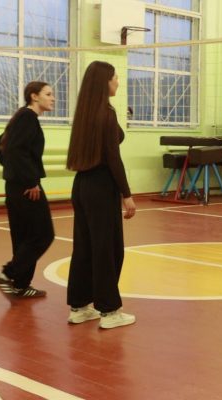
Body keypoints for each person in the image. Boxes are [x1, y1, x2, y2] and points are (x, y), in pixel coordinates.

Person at [65, 61, 137, 329]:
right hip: (101, 187)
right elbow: (113, 158)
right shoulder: (106, 113)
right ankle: (109, 311)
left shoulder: (85, 112)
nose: (118, 81)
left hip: (82, 186)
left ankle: (79, 307)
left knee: (84, 248)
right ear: (104, 82)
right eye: (115, 77)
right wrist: (126, 194)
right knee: (108, 249)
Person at [0, 81, 56, 298]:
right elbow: (15, 150)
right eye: (48, 94)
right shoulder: (27, 117)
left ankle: (20, 285)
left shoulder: (23, 117)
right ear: (34, 96)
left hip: (17, 185)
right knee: (43, 235)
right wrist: (29, 181)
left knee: (24, 237)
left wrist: (13, 172)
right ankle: (8, 273)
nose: (53, 98)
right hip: (27, 187)